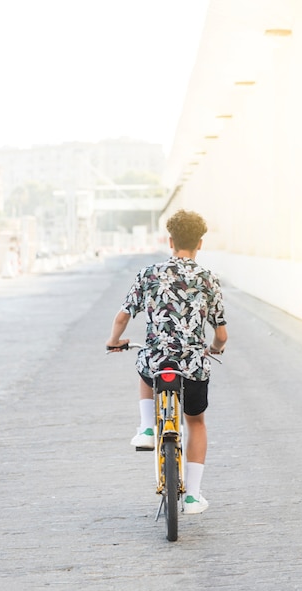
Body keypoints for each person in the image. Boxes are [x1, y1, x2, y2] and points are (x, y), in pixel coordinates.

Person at [107, 209, 228, 514]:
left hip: (157, 361)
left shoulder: (149, 274)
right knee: (196, 422)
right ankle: (192, 496)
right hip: (194, 365)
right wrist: (214, 347)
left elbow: (122, 317)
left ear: (170, 240)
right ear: (200, 243)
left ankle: (148, 429)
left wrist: (113, 341)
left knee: (144, 367)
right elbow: (222, 334)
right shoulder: (208, 278)